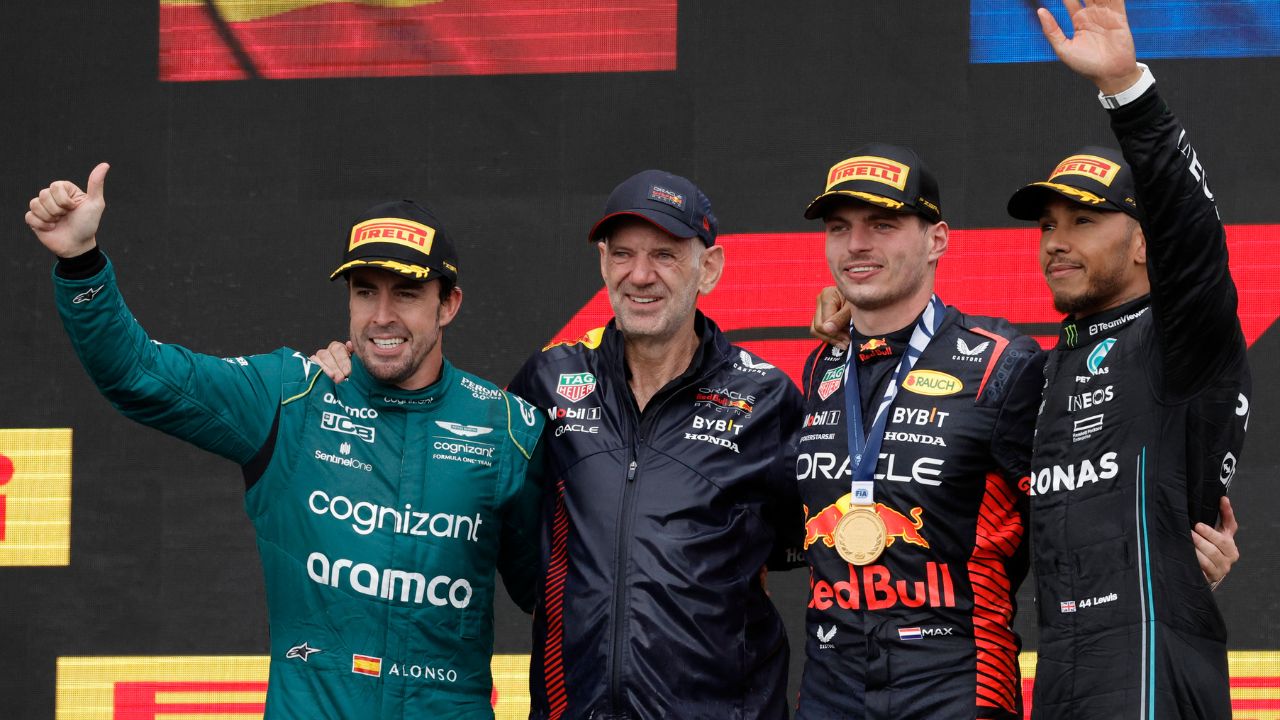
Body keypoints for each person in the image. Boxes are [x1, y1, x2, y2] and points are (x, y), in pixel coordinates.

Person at [24, 166, 545, 719]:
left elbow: (555, 598)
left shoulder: (507, 430)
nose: (383, 316)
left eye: (408, 293)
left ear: (448, 305)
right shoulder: (289, 399)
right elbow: (138, 373)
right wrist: (81, 263)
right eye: (365, 292)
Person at [316, 169, 805, 719]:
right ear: (602, 263)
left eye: (665, 255)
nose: (639, 275)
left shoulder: (766, 398)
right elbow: (450, 451)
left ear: (708, 268)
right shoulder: (550, 380)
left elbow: (811, 546)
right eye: (622, 254)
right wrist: (350, 377)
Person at [1007, 1, 1251, 716]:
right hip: (1059, 667)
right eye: (1048, 225)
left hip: (1154, 661)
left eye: (1084, 220)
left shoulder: (1183, 334)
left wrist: (1129, 92)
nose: (1056, 240)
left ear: (1144, 242)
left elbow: (1193, 234)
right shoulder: (1046, 367)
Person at [795, 144, 1046, 719]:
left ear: (937, 239)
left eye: (882, 225)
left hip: (956, 686)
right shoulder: (822, 367)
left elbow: (1069, 515)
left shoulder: (1002, 363)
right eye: (840, 228)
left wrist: (1178, 552)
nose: (857, 244)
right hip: (832, 690)